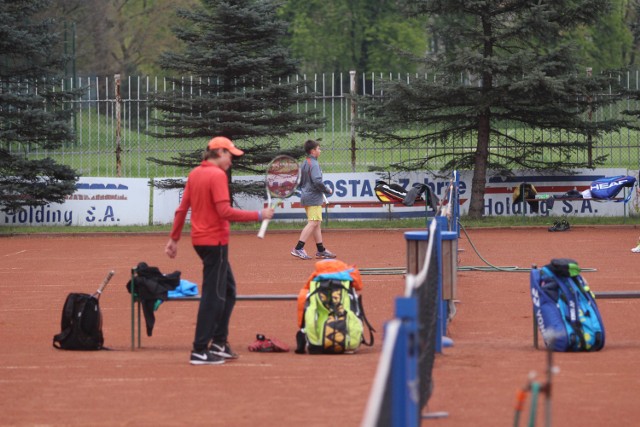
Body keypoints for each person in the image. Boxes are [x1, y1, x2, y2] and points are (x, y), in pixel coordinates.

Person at [165, 136, 274, 365]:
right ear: (220, 153)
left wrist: (174, 239)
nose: (232, 160)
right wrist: (258, 215)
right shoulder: (216, 175)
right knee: (213, 296)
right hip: (215, 243)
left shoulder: (195, 174)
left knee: (229, 290)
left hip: (202, 242)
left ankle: (218, 342)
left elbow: (182, 208)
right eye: (230, 155)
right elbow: (225, 211)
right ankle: (199, 350)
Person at [291, 139, 336, 260]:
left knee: (317, 224)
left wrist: (306, 189)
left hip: (307, 196)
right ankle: (298, 248)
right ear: (313, 151)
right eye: (318, 149)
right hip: (313, 198)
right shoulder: (314, 164)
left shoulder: (305, 162)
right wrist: (327, 190)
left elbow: (299, 181)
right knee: (314, 222)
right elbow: (317, 181)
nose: (320, 150)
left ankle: (321, 250)